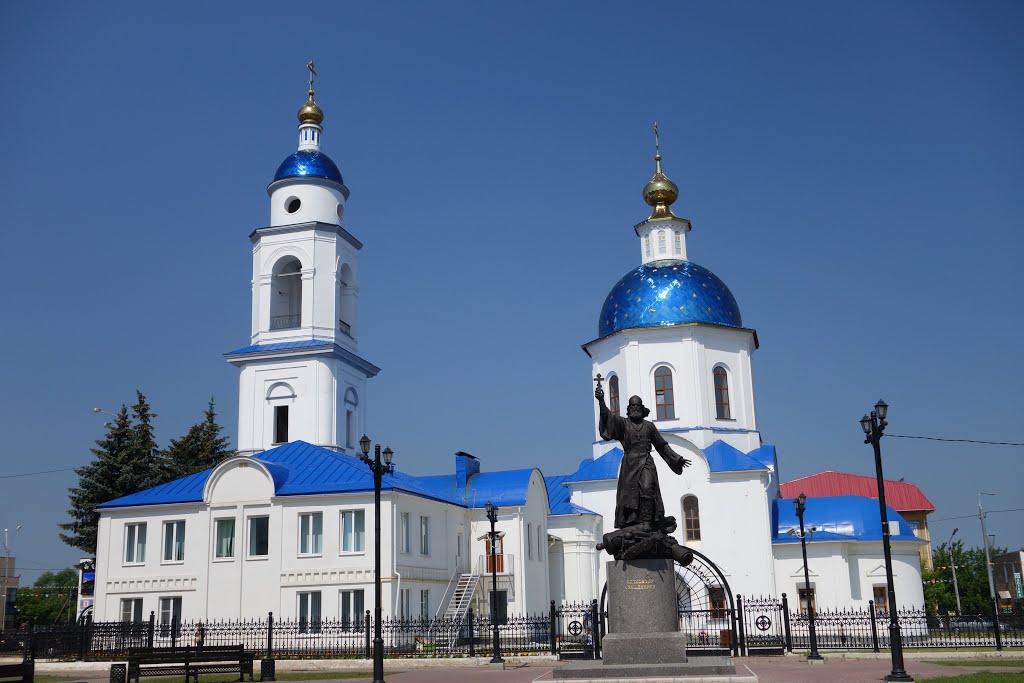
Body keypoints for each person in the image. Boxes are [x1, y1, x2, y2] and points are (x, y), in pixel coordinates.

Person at [595, 386, 691, 530]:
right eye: (632, 405)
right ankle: (631, 521)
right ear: (629, 408)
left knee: (647, 487)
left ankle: (647, 521)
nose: (635, 407)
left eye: (637, 405)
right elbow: (609, 419)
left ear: (641, 407)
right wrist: (601, 401)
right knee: (630, 494)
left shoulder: (649, 426)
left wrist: (676, 459)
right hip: (630, 463)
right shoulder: (623, 423)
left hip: (646, 461)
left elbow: (661, 445)